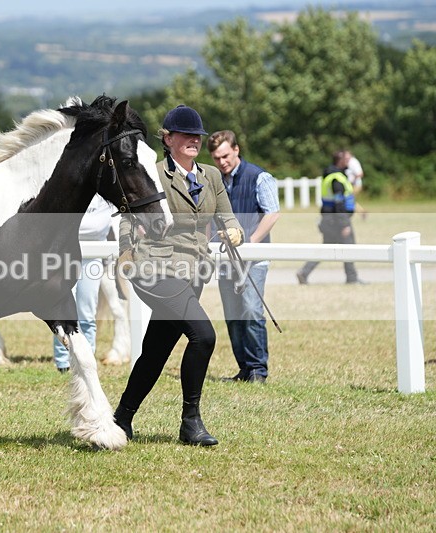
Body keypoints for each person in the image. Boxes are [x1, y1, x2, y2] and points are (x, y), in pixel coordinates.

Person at [112, 105, 243, 446]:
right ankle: (191, 422)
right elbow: (128, 216)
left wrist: (234, 232)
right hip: (156, 269)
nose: (193, 141)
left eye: (196, 136)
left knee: (156, 351)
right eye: (185, 135)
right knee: (204, 336)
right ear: (168, 139)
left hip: (194, 272)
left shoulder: (211, 177)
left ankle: (121, 418)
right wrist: (126, 252)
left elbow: (228, 217)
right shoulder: (153, 173)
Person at [207, 130, 280, 384]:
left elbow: (272, 213)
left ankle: (258, 370)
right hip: (225, 258)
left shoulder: (259, 177)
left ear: (236, 150)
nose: (222, 162)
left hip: (253, 259)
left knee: (250, 310)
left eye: (225, 156)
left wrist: (250, 242)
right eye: (216, 158)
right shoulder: (214, 181)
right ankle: (244, 370)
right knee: (233, 314)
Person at [52, 194, 114, 372]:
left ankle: (87, 359)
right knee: (62, 312)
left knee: (87, 313)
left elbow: (96, 227)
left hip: (93, 258)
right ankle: (63, 361)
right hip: (65, 255)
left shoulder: (106, 196)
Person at [297, 150, 366, 285]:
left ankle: (304, 272)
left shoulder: (333, 175)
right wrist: (344, 224)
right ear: (340, 161)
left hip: (330, 220)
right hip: (337, 220)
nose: (349, 162)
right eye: (346, 160)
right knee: (349, 247)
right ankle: (352, 278)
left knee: (326, 248)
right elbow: (338, 203)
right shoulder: (337, 179)